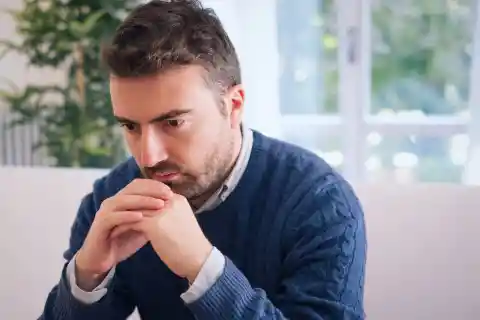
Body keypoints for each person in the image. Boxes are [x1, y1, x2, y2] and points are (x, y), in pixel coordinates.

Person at [39, 0, 367, 319]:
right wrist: (87, 275)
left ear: (234, 105)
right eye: (130, 126)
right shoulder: (111, 200)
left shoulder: (320, 203)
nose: (148, 156)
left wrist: (203, 268)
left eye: (173, 123)